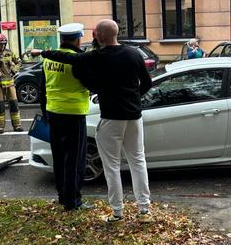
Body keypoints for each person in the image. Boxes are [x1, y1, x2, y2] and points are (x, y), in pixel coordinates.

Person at [33, 19, 153, 224]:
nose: (93, 36)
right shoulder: (134, 53)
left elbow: (67, 58)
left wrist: (43, 53)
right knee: (138, 161)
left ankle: (118, 212)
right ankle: (144, 210)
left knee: (112, 166)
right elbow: (147, 83)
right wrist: (133, 98)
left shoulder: (98, 56)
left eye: (96, 33)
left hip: (110, 118)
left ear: (103, 36)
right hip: (134, 117)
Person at [37, 23, 92, 211]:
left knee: (59, 157)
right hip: (74, 114)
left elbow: (43, 88)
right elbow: (90, 84)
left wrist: (45, 113)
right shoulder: (77, 60)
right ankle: (73, 201)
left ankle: (62, 195)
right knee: (75, 160)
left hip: (53, 113)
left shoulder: (48, 59)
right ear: (78, 39)